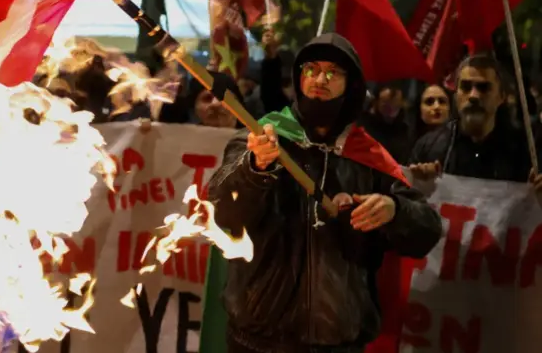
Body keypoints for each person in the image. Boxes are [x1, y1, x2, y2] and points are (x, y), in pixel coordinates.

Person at [209, 33, 442, 353]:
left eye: (333, 72)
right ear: (298, 77)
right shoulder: (260, 137)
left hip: (337, 342)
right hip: (257, 338)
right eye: (311, 69)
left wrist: (395, 209)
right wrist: (255, 168)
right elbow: (223, 212)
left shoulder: (370, 157)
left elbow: (427, 230)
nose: (320, 79)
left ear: (351, 85)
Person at [409, 54, 542, 188]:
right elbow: (405, 196)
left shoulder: (527, 153)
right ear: (455, 96)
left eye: (483, 88)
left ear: (501, 96)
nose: (473, 96)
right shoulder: (429, 148)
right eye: (466, 87)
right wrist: (420, 185)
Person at [360, 84, 413, 164]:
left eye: (395, 105)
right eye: (386, 105)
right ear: (376, 103)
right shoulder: (362, 126)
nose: (391, 110)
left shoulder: (404, 129)